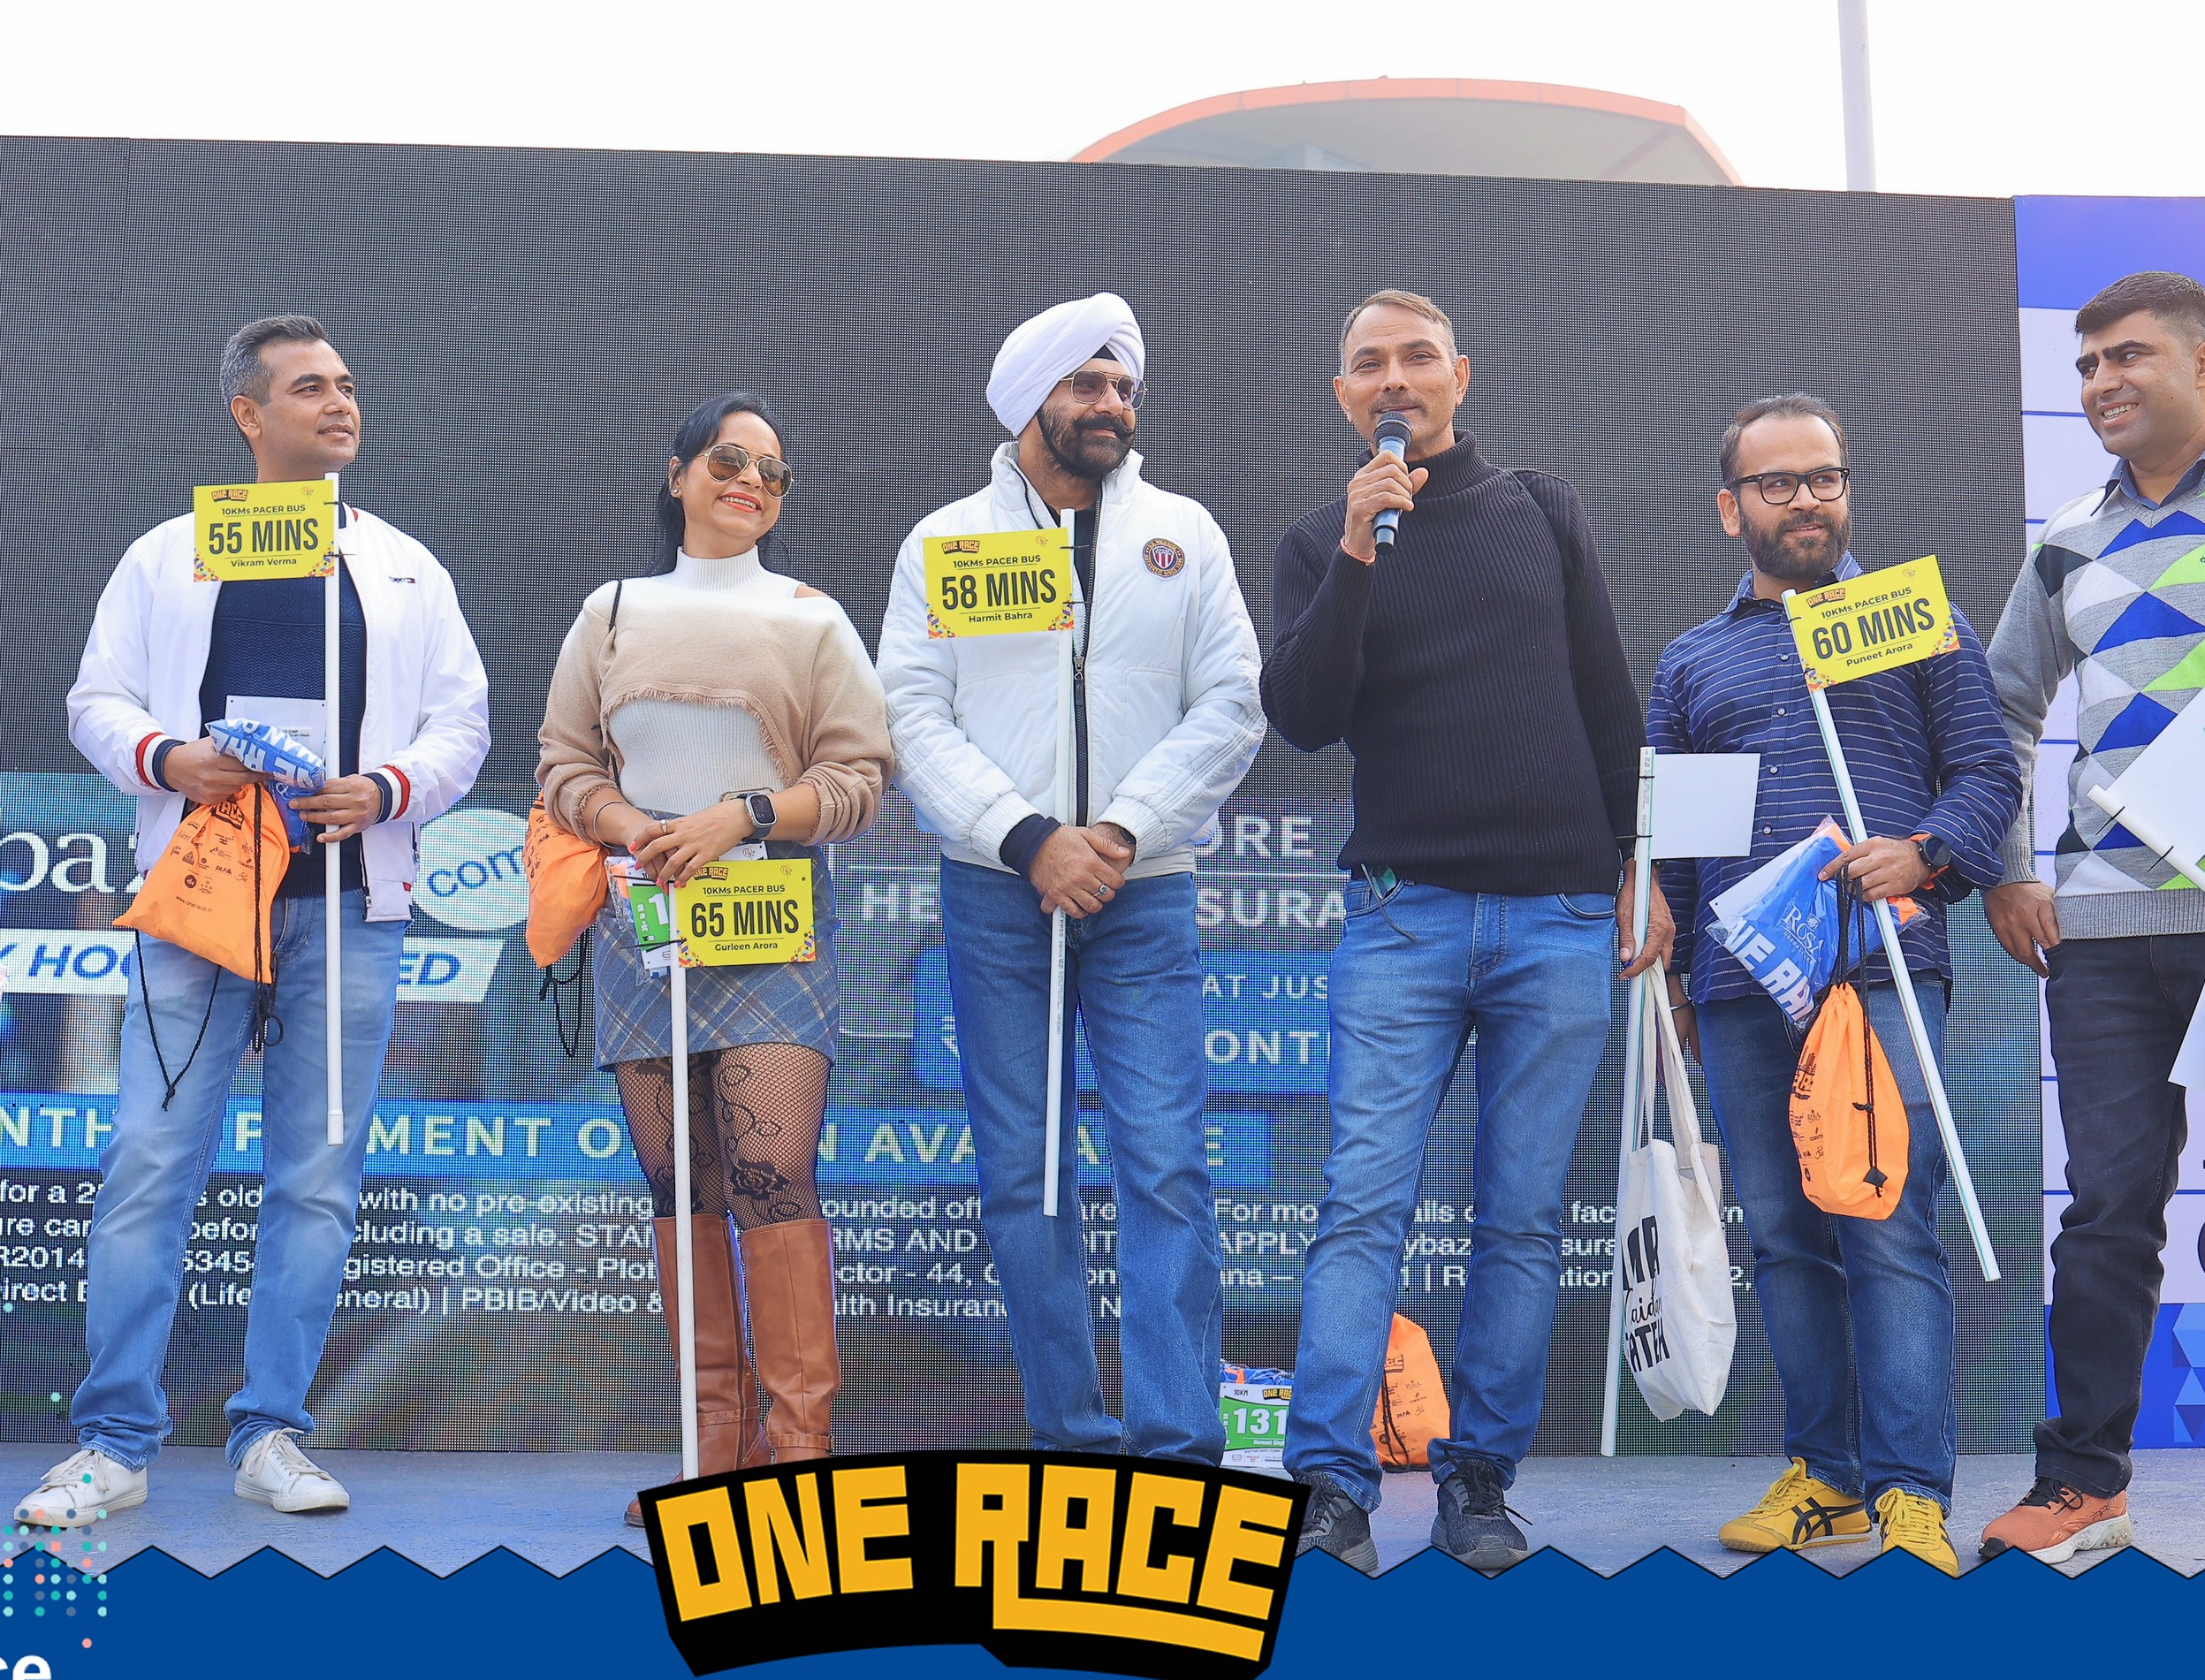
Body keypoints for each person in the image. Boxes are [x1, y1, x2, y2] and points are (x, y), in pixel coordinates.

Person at [17, 314, 489, 1526]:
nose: (341, 403)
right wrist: (168, 758)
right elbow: (96, 700)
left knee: (317, 1177)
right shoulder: (168, 553)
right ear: (248, 414)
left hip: (349, 903)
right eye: (310, 387)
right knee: (148, 1162)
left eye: (348, 384)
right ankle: (113, 1442)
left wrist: (385, 787)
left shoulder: (404, 565)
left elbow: (462, 722)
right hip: (200, 900)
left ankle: (272, 1431)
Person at [1269, 288, 1664, 1573]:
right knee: (1361, 1206)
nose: (1395, 377)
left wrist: (1639, 864)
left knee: (1523, 1219)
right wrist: (1359, 549)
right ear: (1345, 395)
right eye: (1369, 363)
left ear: (1460, 376)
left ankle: (1479, 1479)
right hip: (1404, 918)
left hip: (1559, 915)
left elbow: (1606, 696)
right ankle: (1329, 1487)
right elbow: (1305, 715)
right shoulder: (1319, 540)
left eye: (1417, 356)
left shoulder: (1540, 510)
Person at [876, 293, 1264, 1464]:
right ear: (1028, 399)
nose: (1112, 404)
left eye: (1123, 386)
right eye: (1086, 383)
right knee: (1023, 1173)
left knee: (1165, 1164)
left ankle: (1178, 1444)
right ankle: (1071, 1433)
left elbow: (1233, 701)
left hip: (1145, 889)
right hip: (997, 892)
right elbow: (912, 713)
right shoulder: (944, 541)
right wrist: (1028, 837)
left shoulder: (1185, 532)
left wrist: (1122, 832)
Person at [1651, 393, 2020, 1575]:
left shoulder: (1918, 618)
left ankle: (1912, 1490)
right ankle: (1828, 1475)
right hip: (1739, 987)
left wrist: (1926, 852)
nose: (1806, 498)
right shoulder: (1691, 658)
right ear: (1731, 509)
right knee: (1784, 1237)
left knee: (1888, 1228)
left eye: (1825, 477)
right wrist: (1679, 975)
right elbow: (1677, 847)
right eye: (1778, 482)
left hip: (1881, 970)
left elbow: (1986, 772)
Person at [1981, 270, 2205, 1561]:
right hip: (2103, 936)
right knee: (2106, 1212)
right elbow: (2003, 705)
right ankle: (2083, 1486)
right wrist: (2012, 867)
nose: (2102, 382)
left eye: (2127, 356)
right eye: (2085, 365)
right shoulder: (2065, 537)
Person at [538, 391, 891, 1524]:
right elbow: (563, 764)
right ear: (680, 470)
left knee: (771, 1171)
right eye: (730, 459)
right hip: (646, 920)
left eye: (773, 471)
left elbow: (860, 780)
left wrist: (743, 812)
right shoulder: (609, 612)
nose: (751, 482)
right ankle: (710, 1461)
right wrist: (628, 825)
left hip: (775, 914)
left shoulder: (812, 617)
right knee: (680, 1183)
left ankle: (797, 1469)